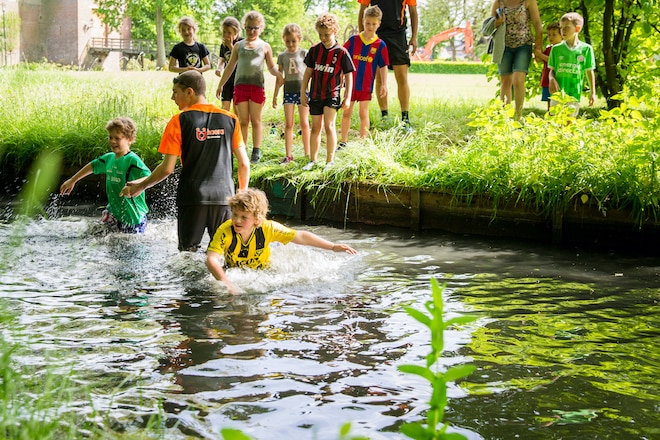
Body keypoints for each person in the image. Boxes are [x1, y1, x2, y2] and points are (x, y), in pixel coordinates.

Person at [120, 70, 250, 252]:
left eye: (175, 92)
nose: (172, 97)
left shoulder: (178, 121)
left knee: (188, 255)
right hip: (224, 198)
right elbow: (244, 164)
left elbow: (167, 169)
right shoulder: (230, 119)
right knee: (226, 254)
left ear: (189, 92)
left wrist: (141, 186)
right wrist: (241, 195)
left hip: (192, 198)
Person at [206, 188, 358, 294]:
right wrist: (227, 283)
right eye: (235, 215)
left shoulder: (268, 228)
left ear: (257, 219)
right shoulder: (225, 230)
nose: (237, 220)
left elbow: (300, 236)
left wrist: (332, 246)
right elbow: (211, 259)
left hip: (263, 273)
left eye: (244, 217)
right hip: (234, 272)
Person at [60, 117, 151, 234]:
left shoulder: (132, 160)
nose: (112, 141)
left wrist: (137, 184)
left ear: (130, 139)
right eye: (110, 137)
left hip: (133, 217)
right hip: (113, 212)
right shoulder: (109, 158)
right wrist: (73, 180)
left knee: (128, 245)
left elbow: (149, 176)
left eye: (117, 138)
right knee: (96, 235)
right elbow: (92, 166)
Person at [216, 11, 284, 164]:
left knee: (256, 120)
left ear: (261, 28)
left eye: (255, 28)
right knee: (243, 121)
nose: (252, 31)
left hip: (256, 88)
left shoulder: (264, 46)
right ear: (244, 27)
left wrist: (278, 74)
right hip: (240, 87)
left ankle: (256, 150)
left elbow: (271, 67)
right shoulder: (238, 46)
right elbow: (230, 67)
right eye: (249, 28)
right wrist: (221, 84)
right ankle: (243, 149)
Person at [300, 13, 354, 171]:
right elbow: (308, 73)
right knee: (315, 127)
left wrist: (348, 96)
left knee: (329, 125)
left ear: (335, 31)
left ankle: (330, 161)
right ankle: (313, 160)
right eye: (320, 34)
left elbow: (349, 76)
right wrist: (303, 91)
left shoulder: (342, 52)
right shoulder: (314, 50)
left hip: (332, 95)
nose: (323, 37)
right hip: (316, 94)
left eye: (327, 34)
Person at [357, 0, 418, 132]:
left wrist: (414, 36)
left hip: (398, 35)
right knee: (379, 77)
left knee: (401, 76)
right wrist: (363, 36)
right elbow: (362, 10)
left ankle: (405, 119)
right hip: (377, 34)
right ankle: (385, 117)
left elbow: (413, 11)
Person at [340, 5, 389, 146]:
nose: (370, 26)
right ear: (363, 21)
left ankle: (363, 144)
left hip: (366, 86)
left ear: (379, 24)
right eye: (368, 23)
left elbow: (383, 66)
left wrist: (384, 84)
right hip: (351, 85)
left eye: (374, 24)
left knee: (363, 113)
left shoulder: (380, 45)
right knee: (346, 112)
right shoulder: (353, 40)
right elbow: (343, 57)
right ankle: (343, 141)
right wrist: (341, 75)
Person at [489, 0, 543, 119]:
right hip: (503, 46)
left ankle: (518, 116)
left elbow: (537, 22)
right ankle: (505, 117)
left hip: (524, 45)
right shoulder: (498, 2)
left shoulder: (528, 1)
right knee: (505, 81)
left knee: (518, 80)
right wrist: (498, 22)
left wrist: (538, 44)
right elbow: (490, 25)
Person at [272, 23, 311, 164]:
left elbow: (309, 72)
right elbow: (279, 77)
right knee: (289, 124)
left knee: (304, 123)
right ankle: (288, 155)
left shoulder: (304, 53)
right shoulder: (282, 56)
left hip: (302, 91)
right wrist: (275, 95)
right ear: (283, 39)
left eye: (293, 41)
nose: (290, 44)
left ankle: (308, 154)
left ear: (299, 39)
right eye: (287, 41)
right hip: (288, 91)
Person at [548, 12, 596, 117]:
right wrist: (551, 79)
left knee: (569, 124)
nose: (563, 30)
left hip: (574, 93)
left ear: (577, 29)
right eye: (561, 27)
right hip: (557, 94)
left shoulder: (586, 49)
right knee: (555, 122)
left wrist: (593, 92)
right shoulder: (556, 49)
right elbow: (552, 70)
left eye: (567, 27)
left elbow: (589, 71)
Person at [215, 17, 243, 112]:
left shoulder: (241, 43)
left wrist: (231, 46)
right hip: (227, 79)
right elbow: (223, 59)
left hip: (238, 79)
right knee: (225, 107)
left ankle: (236, 125)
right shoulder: (223, 46)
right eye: (224, 32)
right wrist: (219, 68)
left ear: (236, 32)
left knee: (237, 108)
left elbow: (241, 59)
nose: (226, 35)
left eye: (229, 33)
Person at [534, 22, 562, 111]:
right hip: (547, 79)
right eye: (549, 35)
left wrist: (540, 55)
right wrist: (538, 51)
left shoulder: (561, 49)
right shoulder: (549, 48)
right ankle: (550, 118)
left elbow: (552, 61)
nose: (551, 37)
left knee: (558, 100)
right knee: (549, 101)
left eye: (554, 35)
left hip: (558, 80)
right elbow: (539, 60)